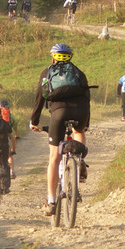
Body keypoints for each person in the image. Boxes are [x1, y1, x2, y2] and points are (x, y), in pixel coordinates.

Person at [30, 43, 90, 216]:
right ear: (70, 57)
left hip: (58, 113)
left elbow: (39, 99)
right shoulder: (79, 73)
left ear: (53, 57)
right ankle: (80, 162)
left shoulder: (47, 73)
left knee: (54, 159)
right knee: (79, 132)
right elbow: (87, 98)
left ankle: (51, 201)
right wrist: (86, 122)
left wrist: (34, 121)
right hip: (81, 111)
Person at [0, 99, 19, 179]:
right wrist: (17, 135)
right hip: (7, 136)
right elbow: (15, 126)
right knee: (10, 154)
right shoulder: (11, 117)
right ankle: (11, 171)